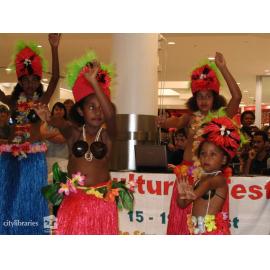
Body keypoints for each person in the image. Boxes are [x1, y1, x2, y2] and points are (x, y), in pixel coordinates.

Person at [35, 52, 134, 235]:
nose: (98, 112)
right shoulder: (74, 134)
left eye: (100, 107)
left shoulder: (107, 136)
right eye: (91, 107)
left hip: (102, 203)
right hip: (74, 202)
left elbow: (111, 116)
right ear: (80, 111)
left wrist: (94, 83)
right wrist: (49, 118)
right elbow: (61, 124)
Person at [157, 52, 242, 234]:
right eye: (199, 96)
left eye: (208, 96)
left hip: (208, 175)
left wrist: (223, 68)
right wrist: (164, 122)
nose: (203, 100)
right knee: (181, 221)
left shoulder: (221, 117)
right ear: (194, 99)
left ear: (215, 99)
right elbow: (175, 122)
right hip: (186, 174)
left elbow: (237, 97)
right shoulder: (189, 118)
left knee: (206, 222)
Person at [0, 33, 60, 234]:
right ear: (19, 82)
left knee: (34, 196)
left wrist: (54, 48)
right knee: (9, 194)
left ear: (38, 82)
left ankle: (33, 233)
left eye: (33, 80)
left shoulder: (41, 102)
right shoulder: (12, 101)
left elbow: (54, 79)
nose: (29, 85)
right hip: (10, 156)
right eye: (25, 81)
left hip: (33, 157)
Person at [176, 116, 241, 234]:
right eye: (203, 154)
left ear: (223, 160)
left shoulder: (219, 179)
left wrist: (192, 193)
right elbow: (182, 204)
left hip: (212, 232)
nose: (206, 158)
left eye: (213, 154)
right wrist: (181, 194)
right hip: (197, 230)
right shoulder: (199, 179)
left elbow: (207, 184)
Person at [40, 101, 69, 173]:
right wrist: (58, 132)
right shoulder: (46, 122)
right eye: (56, 109)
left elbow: (60, 139)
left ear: (64, 111)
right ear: (52, 111)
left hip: (62, 158)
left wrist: (47, 135)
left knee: (60, 182)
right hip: (47, 156)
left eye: (61, 109)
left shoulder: (68, 124)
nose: (58, 111)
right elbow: (42, 134)